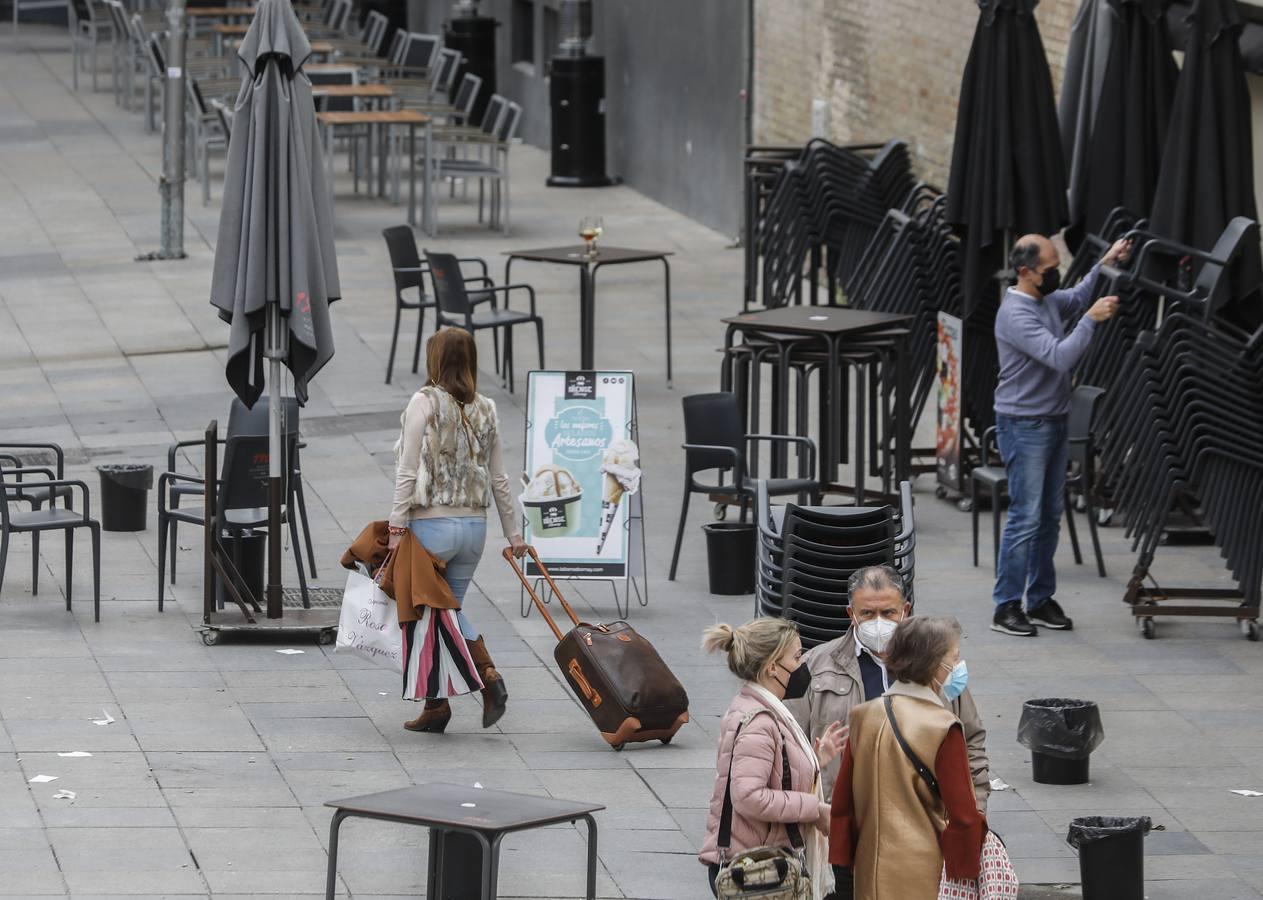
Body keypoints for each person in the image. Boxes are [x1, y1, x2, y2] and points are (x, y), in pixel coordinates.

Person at [991, 234, 1132, 637]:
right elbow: (1059, 356)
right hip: (1024, 424)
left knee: (1050, 517)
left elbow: (1075, 294)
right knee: (1026, 516)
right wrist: (1091, 319)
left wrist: (1106, 261)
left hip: (1052, 419)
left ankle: (1039, 598)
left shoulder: (1046, 298)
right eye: (1049, 270)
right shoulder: (1016, 313)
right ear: (1025, 272)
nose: (1055, 275)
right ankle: (1006, 606)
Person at [388, 328, 527, 733]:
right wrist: (513, 534)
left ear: (435, 359)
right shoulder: (487, 407)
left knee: (434, 615)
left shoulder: (424, 402)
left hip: (432, 526)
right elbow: (499, 478)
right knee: (445, 613)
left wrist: (397, 524)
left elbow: (408, 468)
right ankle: (436, 708)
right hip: (474, 528)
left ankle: (488, 677)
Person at [786, 566, 989, 810]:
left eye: (888, 612)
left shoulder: (937, 664)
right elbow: (789, 743)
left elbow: (971, 739)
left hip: (924, 816)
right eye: (868, 613)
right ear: (851, 613)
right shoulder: (814, 665)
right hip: (844, 813)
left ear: (905, 610)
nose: (878, 622)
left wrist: (976, 810)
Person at [830, 616, 987, 899]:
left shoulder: (863, 716)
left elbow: (843, 802)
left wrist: (844, 856)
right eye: (955, 658)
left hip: (869, 869)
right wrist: (968, 868)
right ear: (935, 664)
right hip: (925, 872)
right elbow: (963, 816)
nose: (958, 666)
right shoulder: (942, 726)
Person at [699, 618, 846, 899]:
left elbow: (769, 769)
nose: (802, 665)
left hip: (761, 861)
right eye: (797, 656)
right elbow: (749, 795)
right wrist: (814, 809)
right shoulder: (759, 721)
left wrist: (815, 759)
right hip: (756, 870)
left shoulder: (761, 708)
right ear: (772, 667)